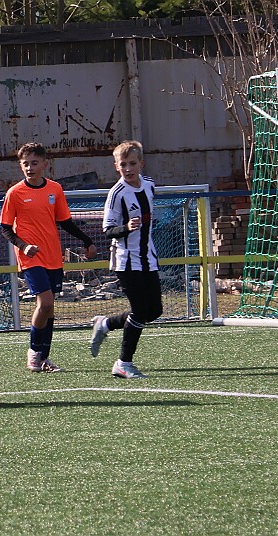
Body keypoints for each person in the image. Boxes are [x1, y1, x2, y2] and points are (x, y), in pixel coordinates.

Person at [0, 142, 97, 373]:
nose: (30, 168)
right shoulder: (15, 193)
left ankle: (43, 359)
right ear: (20, 166)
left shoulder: (55, 189)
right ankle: (33, 353)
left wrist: (87, 241)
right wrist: (23, 247)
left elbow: (65, 222)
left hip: (52, 255)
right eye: (25, 164)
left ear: (45, 164)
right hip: (30, 257)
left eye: (34, 163)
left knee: (49, 310)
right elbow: (5, 228)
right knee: (45, 303)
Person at [89, 140, 162, 379]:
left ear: (141, 163)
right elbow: (108, 230)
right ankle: (123, 363)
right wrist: (126, 227)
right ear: (116, 166)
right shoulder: (117, 194)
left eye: (132, 163)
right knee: (139, 311)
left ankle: (106, 324)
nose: (128, 169)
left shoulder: (149, 185)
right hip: (126, 260)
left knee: (154, 311)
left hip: (148, 257)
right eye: (123, 165)